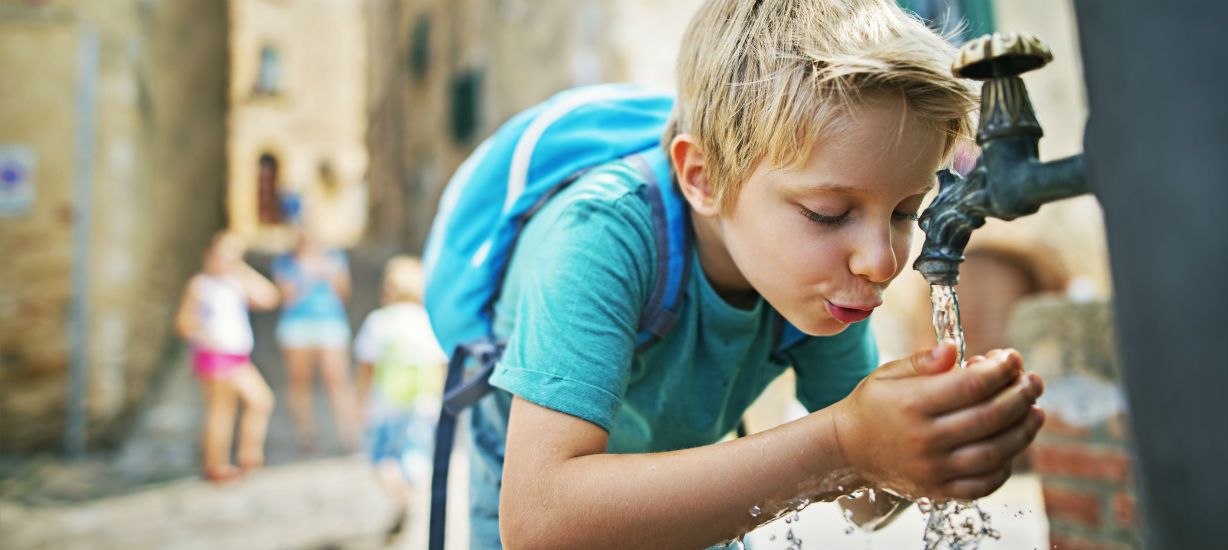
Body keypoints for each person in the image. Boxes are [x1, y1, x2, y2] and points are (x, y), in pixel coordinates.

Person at [451, 1, 1049, 548]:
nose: (881, 262)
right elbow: (540, 519)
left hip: (678, 494)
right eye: (828, 213)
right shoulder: (602, 235)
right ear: (705, 179)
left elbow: (864, 502)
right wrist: (843, 441)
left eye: (903, 212)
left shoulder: (823, 290)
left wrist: (926, 447)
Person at [174, 231, 280, 482]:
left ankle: (242, 458)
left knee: (251, 403)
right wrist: (207, 338)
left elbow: (270, 297)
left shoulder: (235, 282)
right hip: (217, 356)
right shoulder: (201, 285)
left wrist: (242, 270)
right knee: (227, 409)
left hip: (237, 356)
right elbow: (183, 323)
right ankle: (221, 464)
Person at [354, 256, 447, 537]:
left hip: (389, 403)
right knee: (415, 453)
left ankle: (403, 498)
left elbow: (366, 365)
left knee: (381, 456)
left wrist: (361, 401)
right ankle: (410, 493)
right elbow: (442, 363)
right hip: (425, 402)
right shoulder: (429, 321)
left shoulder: (379, 322)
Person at [272, 225, 360, 451]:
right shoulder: (285, 262)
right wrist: (308, 278)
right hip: (296, 325)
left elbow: (344, 294)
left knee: (338, 379)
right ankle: (304, 433)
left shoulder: (335, 259)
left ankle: (347, 433)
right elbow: (285, 297)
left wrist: (329, 275)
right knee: (300, 381)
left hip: (329, 323)